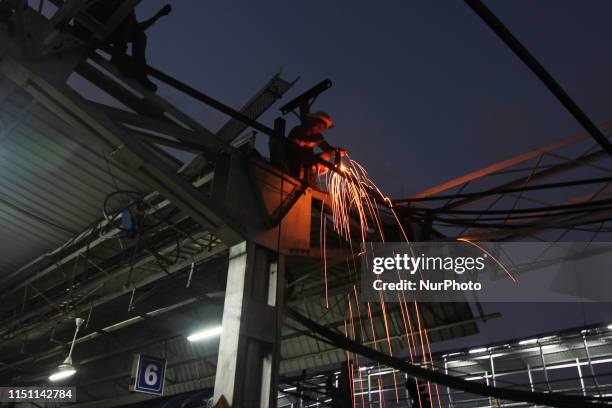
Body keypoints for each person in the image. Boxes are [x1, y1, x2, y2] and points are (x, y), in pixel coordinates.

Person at [86, 1, 172, 91]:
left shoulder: (128, 10)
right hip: (94, 25)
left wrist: (159, 15)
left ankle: (140, 71)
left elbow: (137, 29)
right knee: (127, 17)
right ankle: (119, 56)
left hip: (112, 33)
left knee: (140, 35)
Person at [284, 111, 346, 184]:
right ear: (312, 122)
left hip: (308, 160)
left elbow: (327, 148)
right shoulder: (298, 130)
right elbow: (292, 146)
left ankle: (310, 173)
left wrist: (337, 151)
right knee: (303, 161)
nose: (319, 130)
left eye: (321, 129)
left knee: (326, 158)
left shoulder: (318, 137)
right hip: (293, 159)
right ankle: (304, 173)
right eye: (318, 126)